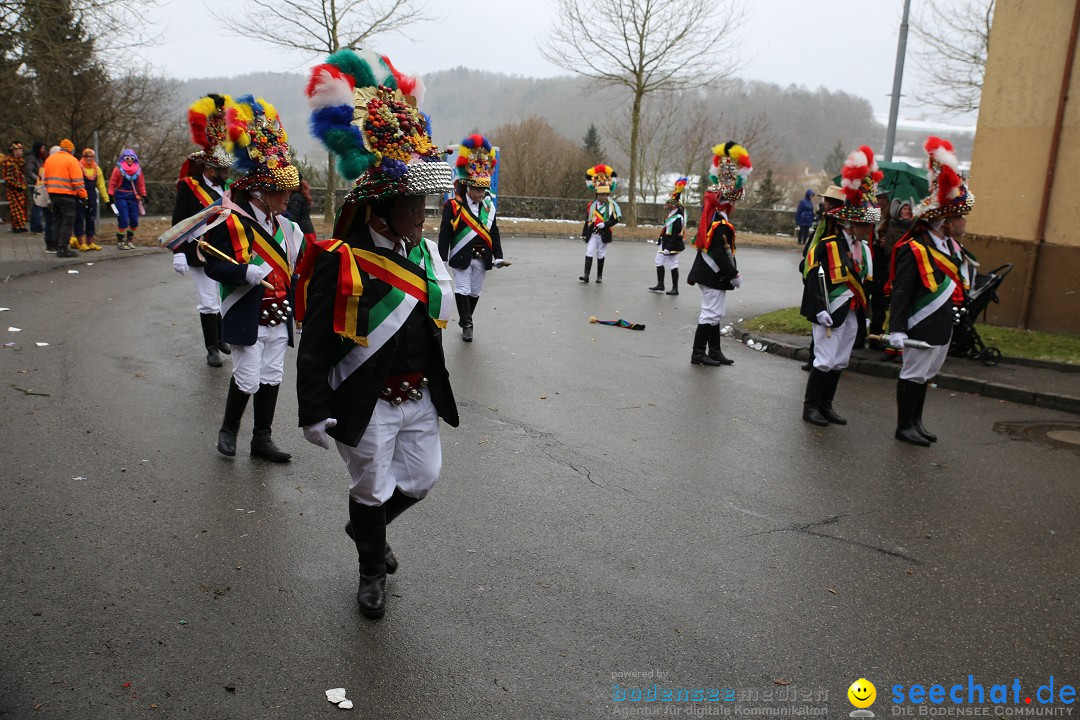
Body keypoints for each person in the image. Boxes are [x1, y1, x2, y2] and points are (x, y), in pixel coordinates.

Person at [299, 49, 458, 620]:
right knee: (370, 489)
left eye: (423, 202)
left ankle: (365, 530)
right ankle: (371, 568)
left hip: (417, 394)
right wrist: (313, 411)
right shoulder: (343, 259)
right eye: (413, 203)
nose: (423, 213)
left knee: (422, 478)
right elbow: (316, 341)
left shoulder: (424, 252)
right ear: (382, 208)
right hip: (366, 400)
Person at [202, 95, 302, 463]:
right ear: (260, 193)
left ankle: (262, 439)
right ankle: (229, 429)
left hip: (279, 312)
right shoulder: (231, 223)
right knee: (247, 376)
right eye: (281, 191)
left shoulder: (289, 228)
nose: (287, 197)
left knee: (272, 376)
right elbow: (212, 265)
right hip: (247, 309)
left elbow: (301, 265)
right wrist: (243, 271)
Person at [888, 137, 975, 447]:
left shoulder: (950, 247)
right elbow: (901, 291)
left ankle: (916, 422)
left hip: (941, 323)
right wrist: (896, 328)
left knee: (926, 375)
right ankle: (904, 426)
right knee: (913, 373)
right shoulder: (916, 248)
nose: (963, 222)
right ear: (944, 221)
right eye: (959, 217)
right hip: (920, 322)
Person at [800, 146, 880, 426]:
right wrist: (819, 309)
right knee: (823, 358)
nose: (867, 229)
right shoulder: (828, 246)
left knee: (840, 361)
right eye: (862, 224)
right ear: (849, 223)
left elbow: (867, 285)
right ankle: (810, 407)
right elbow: (813, 279)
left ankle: (826, 405)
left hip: (852, 312)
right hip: (831, 310)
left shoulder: (866, 250)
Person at [172, 94, 237, 368]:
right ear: (211, 169)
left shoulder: (226, 188)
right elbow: (179, 220)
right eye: (223, 168)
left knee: (221, 298)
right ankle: (211, 347)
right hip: (197, 250)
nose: (227, 172)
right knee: (208, 301)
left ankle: (220, 336)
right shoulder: (189, 186)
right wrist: (177, 252)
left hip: (221, 249)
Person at [686, 142, 751, 367]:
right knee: (710, 314)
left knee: (715, 313)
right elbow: (720, 253)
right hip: (712, 274)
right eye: (732, 199)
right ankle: (698, 353)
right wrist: (734, 274)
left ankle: (714, 351)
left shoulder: (716, 217)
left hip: (707, 273)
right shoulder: (720, 221)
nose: (734, 203)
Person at [438, 133, 504, 342]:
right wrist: (443, 257)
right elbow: (446, 232)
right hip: (461, 254)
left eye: (484, 189)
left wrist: (498, 256)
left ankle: (466, 318)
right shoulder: (454, 206)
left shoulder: (488, 206)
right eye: (477, 189)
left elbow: (494, 232)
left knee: (475, 292)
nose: (481, 193)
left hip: (482, 255)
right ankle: (468, 325)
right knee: (463, 288)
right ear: (468, 185)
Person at [799, 184, 846, 371]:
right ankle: (814, 358)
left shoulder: (835, 225)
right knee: (817, 318)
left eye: (827, 200)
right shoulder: (824, 222)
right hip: (815, 271)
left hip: (827, 275)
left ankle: (817, 359)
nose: (824, 203)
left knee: (822, 318)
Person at [41, 139, 87, 258]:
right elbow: (78, 181)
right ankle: (63, 248)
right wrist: (83, 196)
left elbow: (44, 179)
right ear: (71, 150)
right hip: (67, 196)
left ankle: (56, 245)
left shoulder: (49, 160)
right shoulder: (72, 160)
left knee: (57, 221)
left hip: (52, 195)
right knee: (67, 222)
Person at [579, 164, 621, 283]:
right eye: (600, 195)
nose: (602, 197)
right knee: (589, 252)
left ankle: (599, 276)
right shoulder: (591, 205)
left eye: (604, 195)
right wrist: (584, 233)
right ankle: (586, 275)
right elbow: (587, 220)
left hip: (603, 233)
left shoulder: (612, 206)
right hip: (593, 233)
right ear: (597, 195)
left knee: (601, 254)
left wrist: (606, 224)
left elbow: (616, 219)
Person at [647, 177, 687, 295]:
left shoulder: (678, 218)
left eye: (668, 203)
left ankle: (675, 288)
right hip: (665, 243)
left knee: (673, 264)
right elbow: (666, 230)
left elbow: (676, 235)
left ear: (674, 205)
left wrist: (669, 247)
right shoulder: (671, 215)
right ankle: (660, 284)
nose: (666, 204)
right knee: (658, 261)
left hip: (672, 245)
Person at [108, 148, 146, 250]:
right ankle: (120, 241)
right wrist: (110, 195)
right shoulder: (118, 169)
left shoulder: (138, 170)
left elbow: (141, 184)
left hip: (132, 197)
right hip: (121, 196)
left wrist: (144, 195)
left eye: (132, 158)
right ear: (123, 159)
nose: (129, 160)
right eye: (127, 158)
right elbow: (112, 183)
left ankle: (129, 240)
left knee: (134, 221)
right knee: (123, 219)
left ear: (135, 159)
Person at [73, 148, 108, 251]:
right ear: (83, 157)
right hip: (80, 196)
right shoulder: (78, 167)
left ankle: (90, 241)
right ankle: (80, 242)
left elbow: (101, 185)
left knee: (91, 219)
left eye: (91, 157)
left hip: (92, 196)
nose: (89, 159)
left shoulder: (97, 169)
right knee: (79, 219)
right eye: (86, 156)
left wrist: (106, 199)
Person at [284, 174, 317, 247]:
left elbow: (294, 216)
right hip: (307, 231)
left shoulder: (296, 197)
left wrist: (283, 213)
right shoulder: (301, 194)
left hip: (304, 233)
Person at [3, 143, 27, 233]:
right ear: (14, 150)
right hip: (13, 189)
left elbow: (23, 174)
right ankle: (16, 226)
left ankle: (21, 225)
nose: (21, 151)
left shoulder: (20, 161)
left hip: (21, 187)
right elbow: (8, 177)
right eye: (20, 150)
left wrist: (23, 185)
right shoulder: (9, 161)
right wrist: (17, 186)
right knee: (15, 208)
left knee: (22, 207)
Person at [24, 142, 46, 235]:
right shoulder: (32, 158)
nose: (43, 150)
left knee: (37, 205)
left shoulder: (38, 158)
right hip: (34, 184)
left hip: (37, 184)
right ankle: (36, 226)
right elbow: (29, 171)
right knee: (37, 205)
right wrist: (38, 179)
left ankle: (36, 226)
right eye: (42, 148)